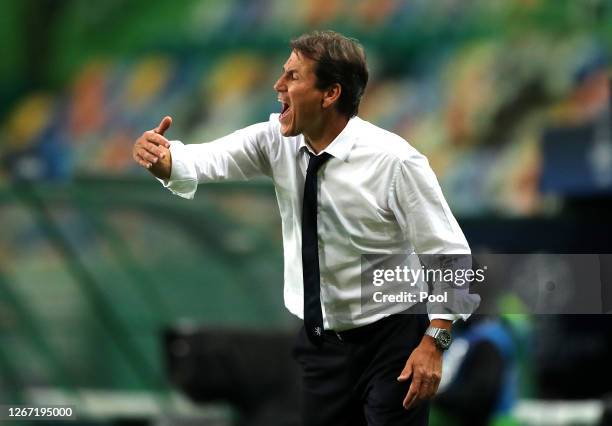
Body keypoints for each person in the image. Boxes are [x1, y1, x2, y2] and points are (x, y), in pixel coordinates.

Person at [132, 30, 472, 426]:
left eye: (293, 77)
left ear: (330, 94)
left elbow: (450, 255)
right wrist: (162, 159)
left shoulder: (395, 161)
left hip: (393, 342)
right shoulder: (274, 140)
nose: (278, 86)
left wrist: (435, 342)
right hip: (320, 344)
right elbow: (201, 161)